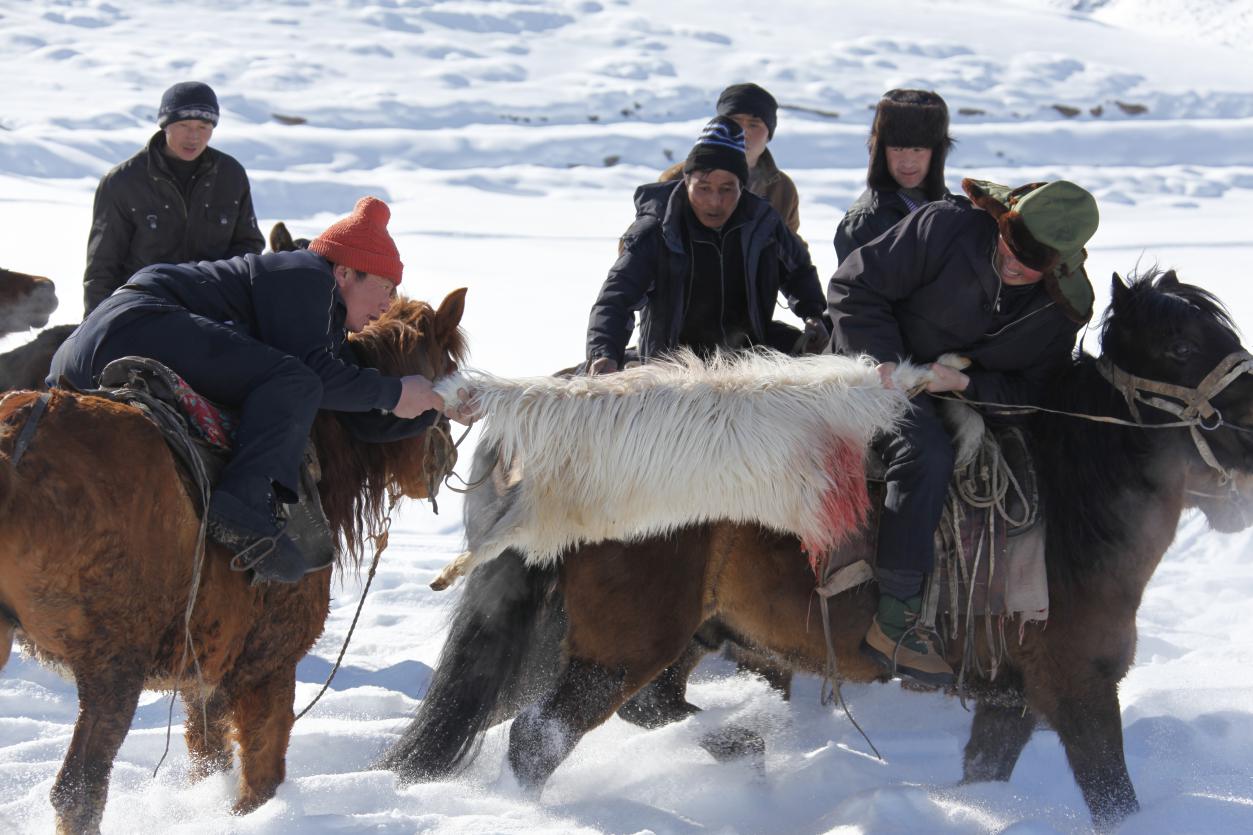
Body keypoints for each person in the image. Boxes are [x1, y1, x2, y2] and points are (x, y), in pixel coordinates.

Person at [50, 196, 462, 583]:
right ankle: (243, 507)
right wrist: (393, 393)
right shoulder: (307, 277)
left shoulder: (322, 316)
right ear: (344, 272)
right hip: (133, 325)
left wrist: (434, 406)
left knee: (297, 381)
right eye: (385, 287)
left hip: (81, 354)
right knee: (295, 379)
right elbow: (313, 379)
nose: (389, 304)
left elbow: (353, 411)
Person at [828, 177, 1100, 685]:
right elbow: (854, 286)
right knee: (925, 453)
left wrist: (967, 383)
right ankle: (897, 618)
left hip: (961, 395)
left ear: (1061, 265)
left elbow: (1035, 389)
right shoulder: (945, 228)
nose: (1014, 264)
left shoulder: (1059, 310)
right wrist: (885, 364)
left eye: (1033, 262)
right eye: (1010, 246)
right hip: (873, 376)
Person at [587, 116, 827, 373]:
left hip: (748, 357)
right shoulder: (657, 230)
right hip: (671, 365)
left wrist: (812, 312)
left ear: (741, 187)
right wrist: (604, 352)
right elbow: (616, 298)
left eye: (727, 189)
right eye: (703, 188)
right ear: (686, 181)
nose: (714, 201)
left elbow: (798, 269)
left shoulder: (763, 224)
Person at [82, 81, 265, 316]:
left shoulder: (230, 174)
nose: (193, 136)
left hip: (214, 310)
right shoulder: (123, 181)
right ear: (165, 125)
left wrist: (216, 285)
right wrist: (97, 327)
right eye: (183, 125)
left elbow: (249, 245)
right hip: (142, 310)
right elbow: (102, 267)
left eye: (203, 126)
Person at [659, 83, 802, 235]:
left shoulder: (782, 189)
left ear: (769, 135)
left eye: (754, 125)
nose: (743, 132)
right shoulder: (676, 179)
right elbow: (646, 242)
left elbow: (791, 251)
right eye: (734, 122)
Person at [833, 89, 953, 263]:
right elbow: (851, 289)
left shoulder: (951, 209)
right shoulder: (865, 221)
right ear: (881, 151)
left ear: (936, 153)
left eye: (918, 149)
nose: (908, 161)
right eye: (897, 149)